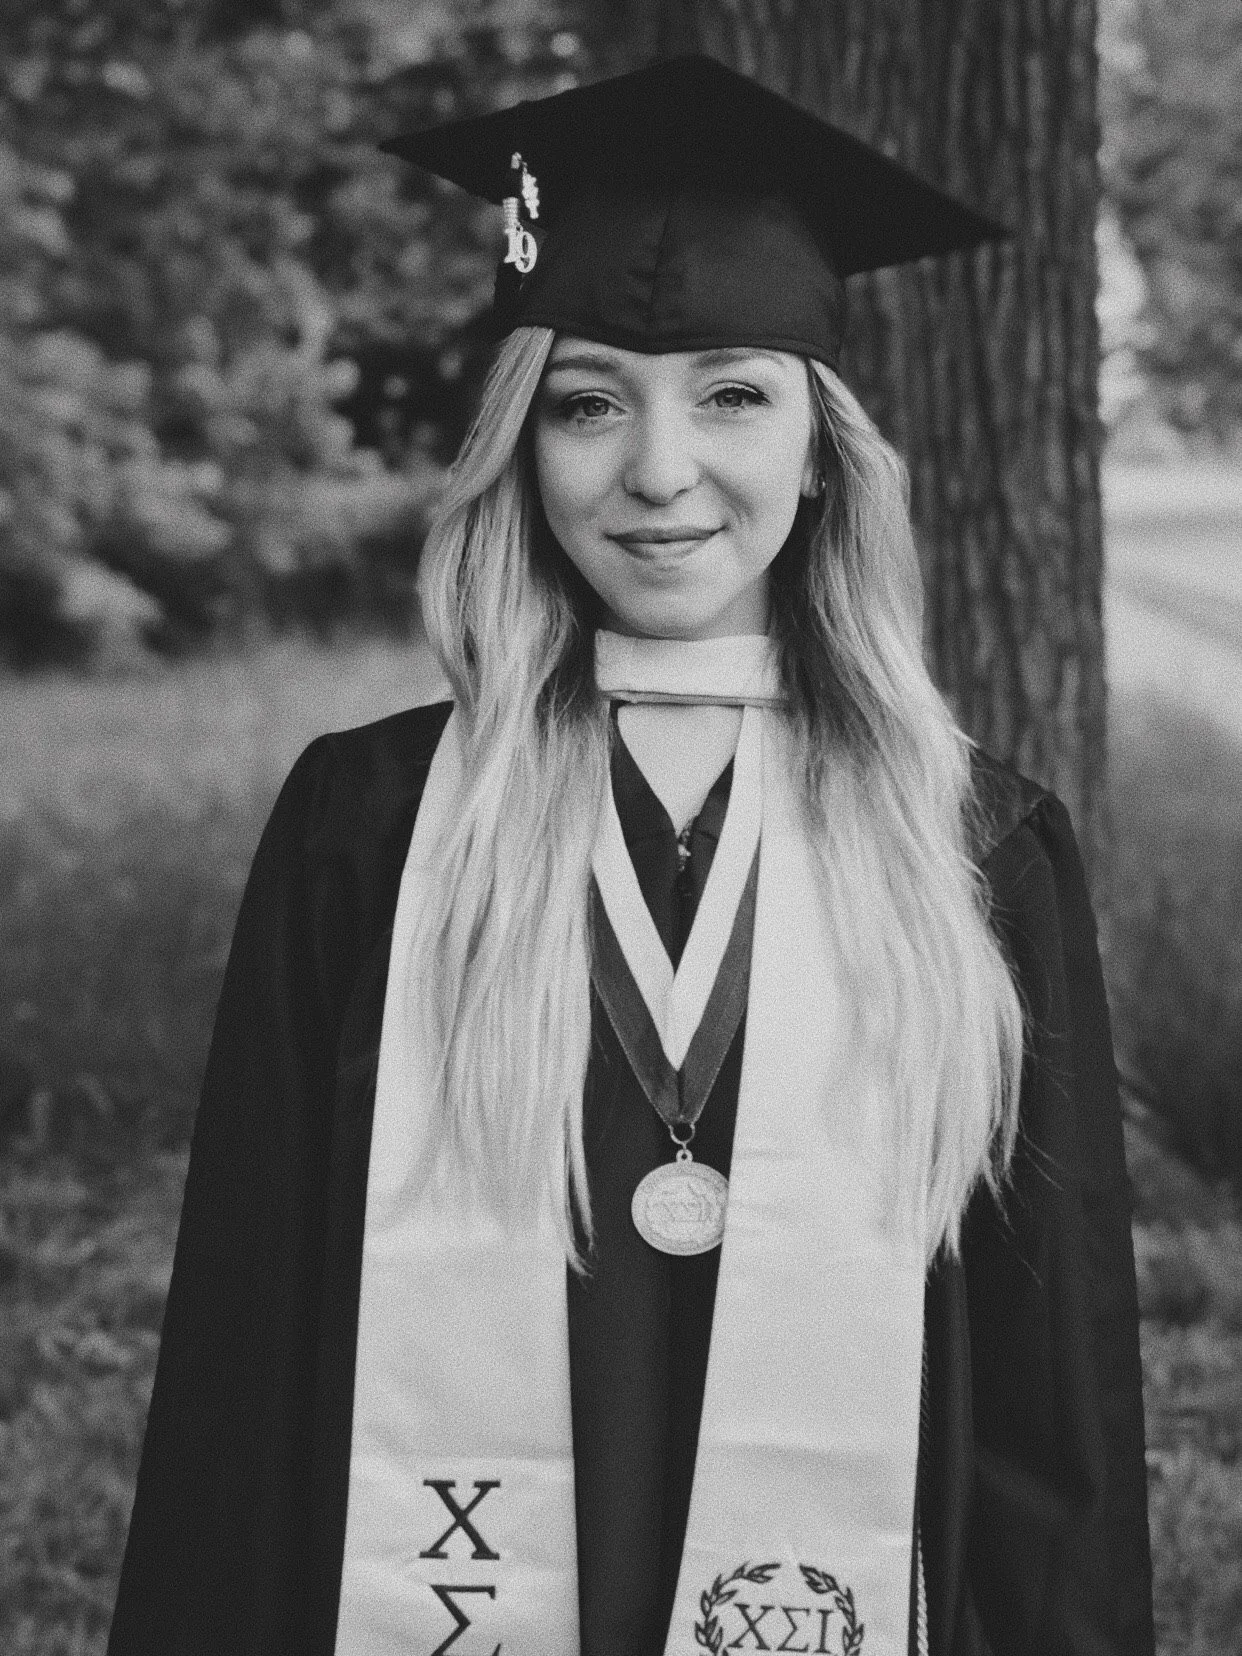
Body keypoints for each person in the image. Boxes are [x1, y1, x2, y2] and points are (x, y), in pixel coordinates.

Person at [106, 55, 1153, 1656]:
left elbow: (1044, 1390)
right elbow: (248, 1351)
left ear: (820, 450)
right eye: (588, 403)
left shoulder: (972, 847)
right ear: (521, 450)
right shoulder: (370, 827)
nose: (657, 472)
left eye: (732, 393)